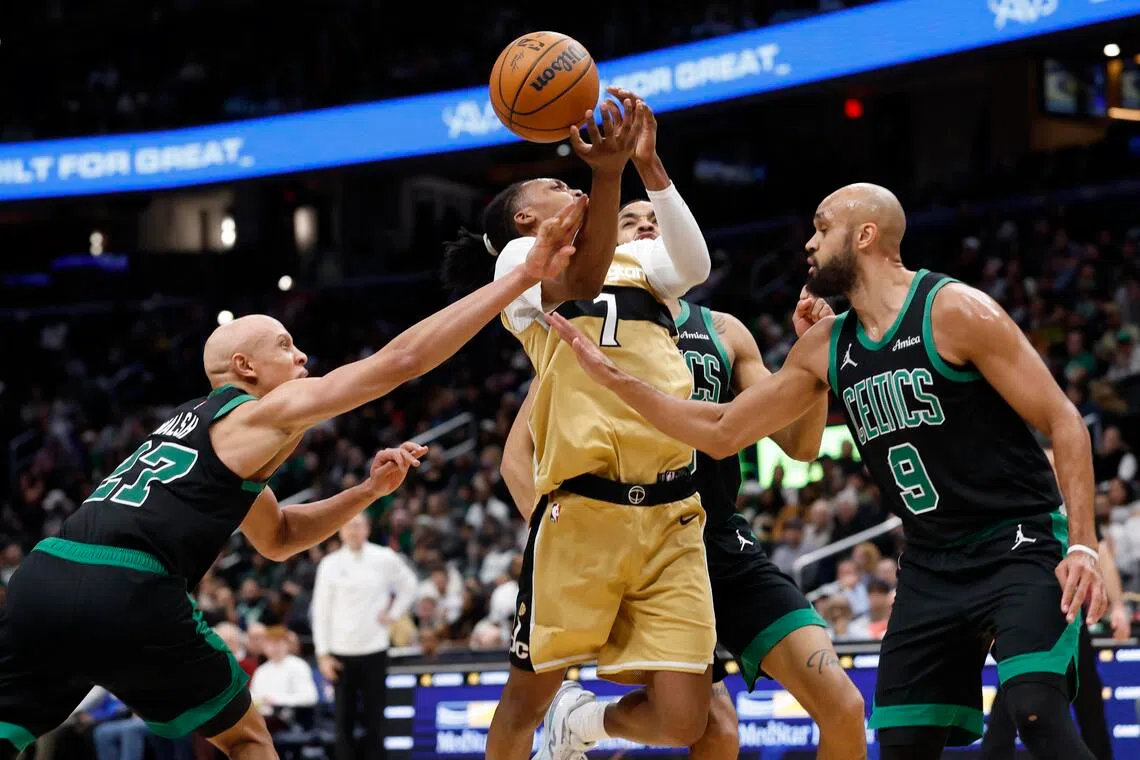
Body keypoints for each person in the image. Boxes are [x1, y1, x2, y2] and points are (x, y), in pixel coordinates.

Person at [0, 200, 586, 760]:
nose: (303, 356)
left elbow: (276, 538)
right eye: (285, 346)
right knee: (247, 740)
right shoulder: (257, 411)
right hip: (128, 583)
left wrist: (365, 493)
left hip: (42, 577)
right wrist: (518, 278)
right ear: (245, 369)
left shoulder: (195, 435)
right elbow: (398, 363)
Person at [547, 182, 1109, 760]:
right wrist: (616, 380)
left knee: (1035, 712)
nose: (808, 243)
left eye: (821, 229)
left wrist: (1085, 546)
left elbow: (1065, 421)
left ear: (864, 236)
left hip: (1016, 542)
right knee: (899, 744)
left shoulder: (954, 310)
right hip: (929, 566)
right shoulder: (825, 345)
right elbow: (724, 431)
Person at [500, 199, 867, 760]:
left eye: (653, 216)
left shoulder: (723, 330)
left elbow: (800, 445)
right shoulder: (583, 319)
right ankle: (585, 719)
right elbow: (515, 457)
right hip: (629, 539)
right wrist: (556, 531)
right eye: (628, 220)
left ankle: (584, 720)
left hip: (718, 539)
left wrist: (810, 360)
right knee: (713, 730)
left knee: (842, 705)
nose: (646, 223)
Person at [443, 88, 717, 760]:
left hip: (674, 509)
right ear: (526, 217)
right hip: (583, 510)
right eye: (555, 183)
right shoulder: (519, 267)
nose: (575, 186)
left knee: (685, 721)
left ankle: (582, 727)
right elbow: (584, 279)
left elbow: (695, 266)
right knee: (520, 704)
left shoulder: (639, 259)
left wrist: (648, 168)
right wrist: (605, 171)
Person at [311, 513, 418, 760]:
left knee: (376, 719)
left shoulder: (384, 558)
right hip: (340, 652)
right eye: (348, 526)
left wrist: (393, 613)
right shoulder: (329, 564)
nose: (353, 531)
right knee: (343, 721)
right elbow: (320, 611)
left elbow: (409, 585)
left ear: (367, 529)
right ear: (340, 531)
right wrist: (322, 653)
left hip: (375, 648)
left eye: (358, 525)